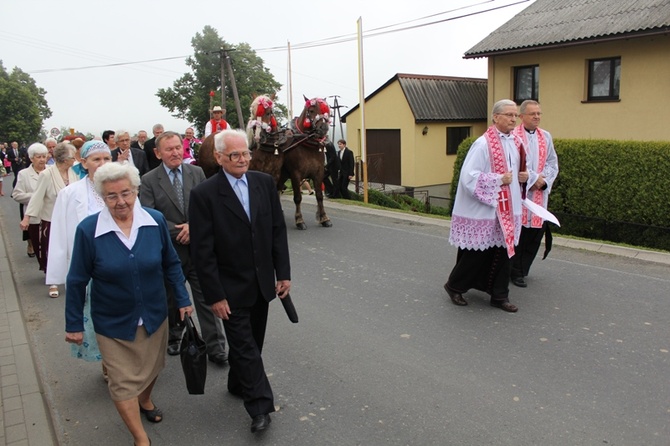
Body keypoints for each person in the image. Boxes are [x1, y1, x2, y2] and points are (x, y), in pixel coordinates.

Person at [65, 162, 193, 446]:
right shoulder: (89, 230)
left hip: (154, 315)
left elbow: (171, 263)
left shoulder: (155, 220)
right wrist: (73, 323)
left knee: (153, 367)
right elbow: (76, 280)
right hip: (111, 321)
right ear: (102, 197)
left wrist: (183, 299)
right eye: (112, 196)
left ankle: (145, 400)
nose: (120, 201)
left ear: (136, 191)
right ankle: (140, 438)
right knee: (122, 382)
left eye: (126, 193)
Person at [189, 128, 291, 434]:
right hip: (229, 289)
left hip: (260, 284)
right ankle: (260, 406)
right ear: (219, 157)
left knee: (252, 345)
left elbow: (276, 231)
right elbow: (202, 252)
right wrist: (215, 295)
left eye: (245, 152)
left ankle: (237, 382)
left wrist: (283, 273)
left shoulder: (263, 184)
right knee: (245, 348)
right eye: (234, 155)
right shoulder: (204, 194)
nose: (242, 159)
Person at [140, 131, 228, 364]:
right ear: (158, 153)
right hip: (169, 253)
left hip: (199, 251)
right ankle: (174, 337)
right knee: (171, 299)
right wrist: (181, 230)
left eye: (178, 147)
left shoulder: (197, 172)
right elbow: (148, 216)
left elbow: (210, 207)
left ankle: (216, 346)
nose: (175, 152)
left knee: (207, 299)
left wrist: (193, 227)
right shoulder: (149, 180)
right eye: (169, 149)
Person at [444, 99, 529, 313]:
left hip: (509, 208)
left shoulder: (516, 142)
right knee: (477, 254)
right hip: (485, 208)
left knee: (504, 251)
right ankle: (454, 286)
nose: (513, 119)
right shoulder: (483, 144)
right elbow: (469, 177)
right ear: (495, 117)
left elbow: (519, 173)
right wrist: (499, 180)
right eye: (508, 114)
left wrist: (525, 177)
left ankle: (499, 295)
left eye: (515, 115)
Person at [48, 141, 113, 364]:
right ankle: (107, 362)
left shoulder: (123, 188)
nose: (102, 164)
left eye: (107, 158)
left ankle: (118, 361)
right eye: (96, 159)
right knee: (94, 318)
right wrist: (58, 275)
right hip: (89, 267)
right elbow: (59, 235)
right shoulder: (69, 194)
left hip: (117, 265)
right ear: (84, 163)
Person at [510, 100, 559, 287]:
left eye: (539, 113)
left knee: (534, 235)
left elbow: (552, 162)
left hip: (539, 194)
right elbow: (513, 163)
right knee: (518, 235)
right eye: (533, 114)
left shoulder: (545, 136)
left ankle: (522, 271)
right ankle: (511, 270)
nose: (537, 117)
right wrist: (532, 179)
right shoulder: (514, 136)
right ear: (522, 116)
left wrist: (543, 181)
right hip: (520, 194)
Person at [20, 142, 79, 297]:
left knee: (72, 250)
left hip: (71, 219)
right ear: (64, 158)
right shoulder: (47, 174)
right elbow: (37, 197)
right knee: (52, 251)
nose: (74, 159)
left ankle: (71, 280)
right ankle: (52, 282)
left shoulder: (74, 172)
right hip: (51, 220)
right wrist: (27, 218)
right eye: (72, 157)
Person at [11, 143, 49, 260]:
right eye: (38, 157)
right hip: (34, 216)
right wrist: (35, 196)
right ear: (32, 158)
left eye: (44, 156)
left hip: (50, 214)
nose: (42, 160)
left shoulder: (52, 171)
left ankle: (49, 270)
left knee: (50, 246)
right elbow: (16, 195)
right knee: (39, 246)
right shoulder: (24, 174)